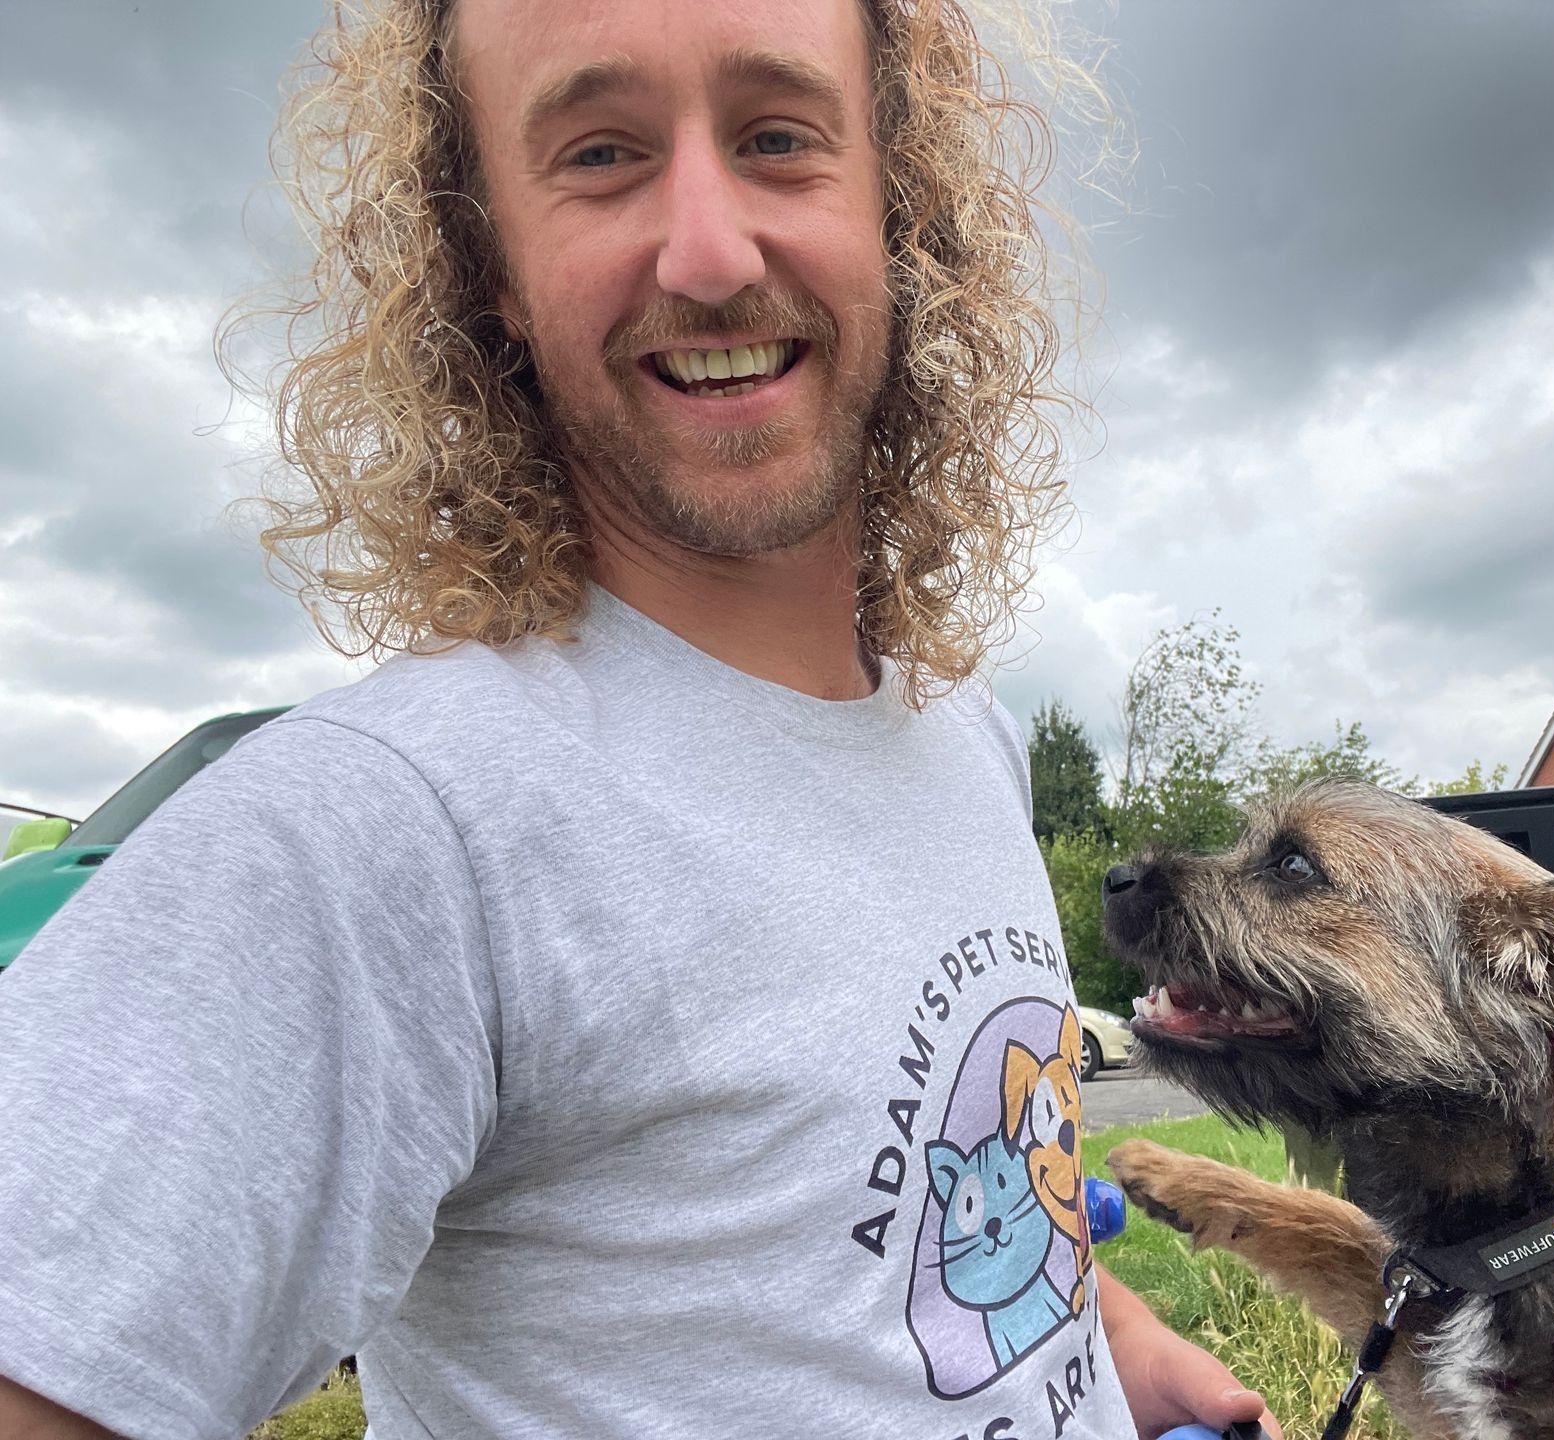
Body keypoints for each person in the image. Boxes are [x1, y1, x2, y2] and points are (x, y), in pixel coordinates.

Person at [0, 1, 1279, 1436]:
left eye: (779, 137)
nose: (711, 252)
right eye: (602, 153)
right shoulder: (383, 828)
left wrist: (1103, 1334)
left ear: (893, 207)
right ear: (488, 259)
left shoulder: (957, 726)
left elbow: (926, 1211)